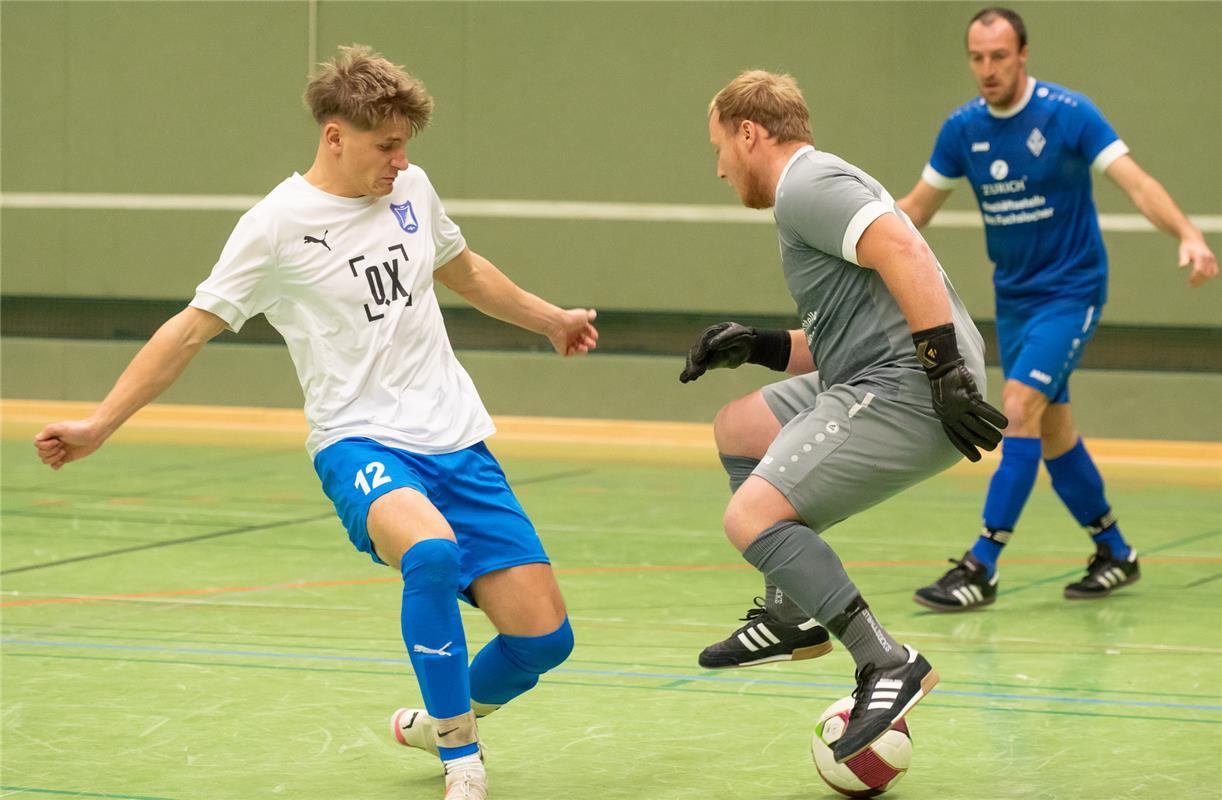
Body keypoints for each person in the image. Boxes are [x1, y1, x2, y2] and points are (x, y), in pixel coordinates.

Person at [33, 45, 599, 800]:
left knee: (543, 639)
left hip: (455, 438)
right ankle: (461, 757)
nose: (400, 161)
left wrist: (551, 320)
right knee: (428, 555)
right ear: (334, 136)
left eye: (405, 146)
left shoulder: (413, 191)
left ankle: (438, 717)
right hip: (357, 440)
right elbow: (189, 330)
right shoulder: (275, 226)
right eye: (385, 146)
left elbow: (463, 269)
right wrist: (101, 423)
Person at [683, 69, 1005, 762]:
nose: (719, 168)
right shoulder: (814, 188)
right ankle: (790, 613)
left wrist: (943, 368)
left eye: (719, 148)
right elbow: (844, 336)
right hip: (879, 371)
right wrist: (760, 347)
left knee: (750, 518)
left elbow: (903, 247)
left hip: (910, 384)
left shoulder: (806, 185)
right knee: (738, 426)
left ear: (749, 132)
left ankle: (887, 661)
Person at [897, 7, 1218, 611]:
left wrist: (1188, 235)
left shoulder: (1069, 115)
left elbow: (1137, 182)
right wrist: (855, 236)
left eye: (998, 57)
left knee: (1017, 409)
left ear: (1023, 56)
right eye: (977, 58)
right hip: (1014, 300)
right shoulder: (962, 130)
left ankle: (981, 565)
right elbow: (916, 207)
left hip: (1071, 293)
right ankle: (1115, 552)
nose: (987, 70)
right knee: (1053, 432)